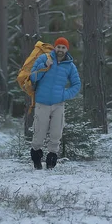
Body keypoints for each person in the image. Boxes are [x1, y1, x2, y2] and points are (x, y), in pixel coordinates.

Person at [29, 37, 81, 169]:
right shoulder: (43, 59)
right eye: (58, 47)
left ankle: (51, 161)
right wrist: (44, 66)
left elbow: (76, 84)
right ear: (55, 47)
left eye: (63, 47)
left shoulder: (70, 65)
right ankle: (36, 160)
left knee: (56, 133)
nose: (60, 50)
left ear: (66, 49)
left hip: (58, 104)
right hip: (42, 102)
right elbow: (33, 77)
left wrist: (65, 94)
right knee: (39, 132)